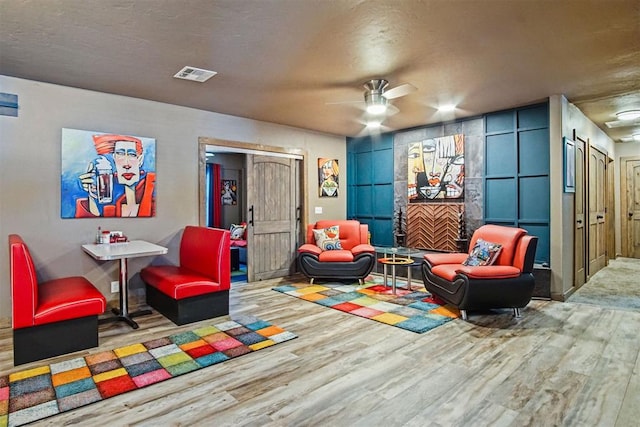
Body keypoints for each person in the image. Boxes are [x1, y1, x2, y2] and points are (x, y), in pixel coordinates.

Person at [75, 134, 155, 217]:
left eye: (132, 154)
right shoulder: (111, 201)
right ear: (114, 160)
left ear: (140, 160)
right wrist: (92, 195)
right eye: (120, 154)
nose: (126, 164)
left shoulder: (153, 191)